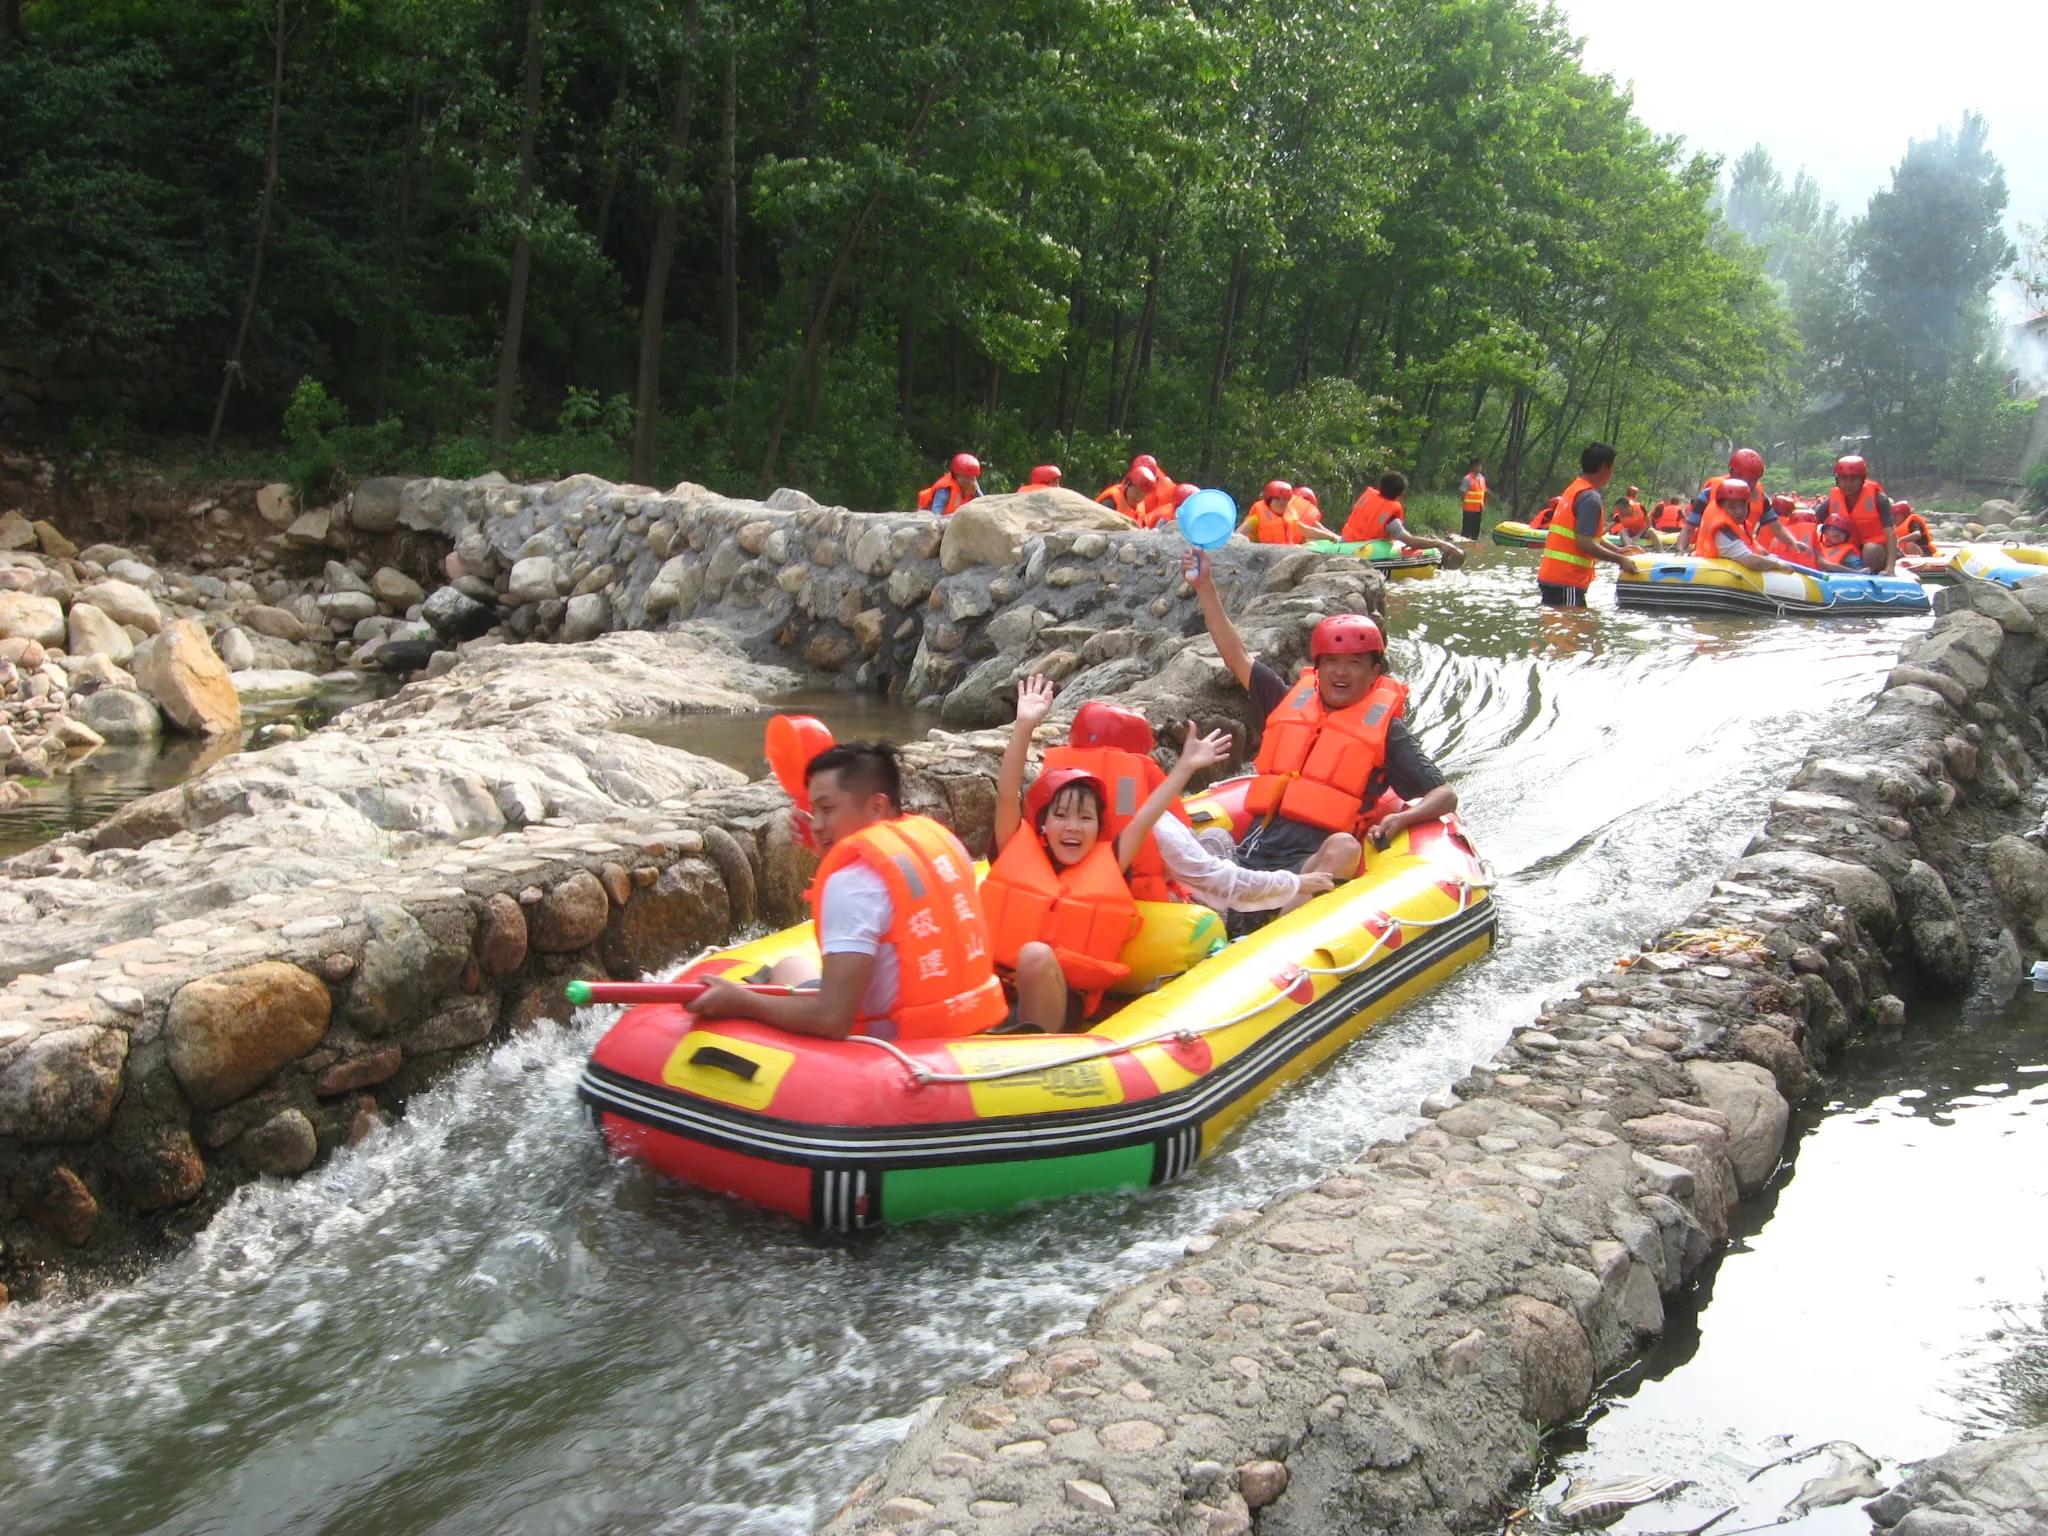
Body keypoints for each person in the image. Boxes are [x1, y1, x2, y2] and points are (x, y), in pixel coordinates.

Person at [1182, 547, 1459, 912]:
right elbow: (1237, 656)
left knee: (1344, 845)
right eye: (1331, 662)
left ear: (1374, 672)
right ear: (1318, 666)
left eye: (1353, 664)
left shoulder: (1387, 732)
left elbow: (1445, 795)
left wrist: (1401, 819)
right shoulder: (1288, 702)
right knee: (1212, 834)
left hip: (1305, 867)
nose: (1340, 673)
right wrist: (1204, 587)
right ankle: (1215, 903)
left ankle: (1271, 932)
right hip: (1252, 851)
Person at [694, 742, 1008, 1040]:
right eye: (813, 810)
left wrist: (742, 1003)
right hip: (969, 1029)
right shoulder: (945, 845)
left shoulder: (851, 884)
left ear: (876, 807)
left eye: (826, 809)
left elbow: (832, 1019)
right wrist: (828, 850)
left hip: (893, 1054)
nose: (815, 824)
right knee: (791, 965)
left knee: (784, 969)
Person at [986, 676, 1232, 1031]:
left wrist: (1186, 767)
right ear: (1042, 824)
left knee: (1035, 955)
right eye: (1061, 816)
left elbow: (1145, 816)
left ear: (1098, 827)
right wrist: (1024, 724)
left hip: (1058, 1004)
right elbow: (1008, 794)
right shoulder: (1015, 845)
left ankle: (1024, 1049)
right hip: (999, 993)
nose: (1073, 827)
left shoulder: (1111, 861)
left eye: (1085, 818)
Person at [1052, 700, 1335, 915]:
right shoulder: (1155, 827)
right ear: (1137, 763)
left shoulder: (1052, 816)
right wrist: (1296, 883)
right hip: (1169, 921)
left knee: (1217, 838)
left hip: (1103, 911)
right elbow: (1220, 880)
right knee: (1217, 841)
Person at [1536, 442, 1637, 608]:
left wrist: (1618, 550)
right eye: (1612, 467)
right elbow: (1585, 542)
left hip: (1554, 577)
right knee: (1570, 630)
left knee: (1563, 629)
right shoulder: (1590, 498)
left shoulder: (1574, 489)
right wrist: (1620, 560)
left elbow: (1588, 535)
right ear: (1605, 467)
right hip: (1567, 580)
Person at [1679, 449, 1807, 563]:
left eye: (1755, 480)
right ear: (1733, 473)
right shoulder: (1708, 494)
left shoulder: (1760, 498)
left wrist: (1792, 542)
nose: (1752, 485)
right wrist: (1681, 550)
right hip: (1712, 555)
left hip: (1742, 552)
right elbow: (1689, 528)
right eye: (1749, 480)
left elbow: (1777, 528)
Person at [1692, 477, 1814, 577]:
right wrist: (1778, 565)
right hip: (1713, 575)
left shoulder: (1735, 523)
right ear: (1721, 505)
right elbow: (1751, 561)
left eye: (1742, 506)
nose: (1739, 512)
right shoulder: (1723, 530)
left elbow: (1751, 544)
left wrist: (1762, 551)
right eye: (1732, 507)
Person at [1340, 472, 1464, 564]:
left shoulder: (1367, 499)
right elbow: (1409, 541)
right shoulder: (1391, 518)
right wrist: (1440, 543)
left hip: (1345, 542)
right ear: (1401, 494)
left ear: (1380, 486)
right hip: (1366, 552)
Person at [1819, 454, 1899, 574]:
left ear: (1862, 479)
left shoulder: (1879, 499)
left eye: (1853, 479)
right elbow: (1812, 523)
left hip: (1875, 551)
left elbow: (1890, 533)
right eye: (1843, 479)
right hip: (1847, 550)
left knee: (1870, 550)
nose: (1848, 484)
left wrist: (1890, 567)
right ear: (1837, 480)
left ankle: (1870, 575)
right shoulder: (1831, 500)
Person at [918, 453, 982, 516]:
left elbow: (984, 503)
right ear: (956, 475)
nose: (969, 481)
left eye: (971, 477)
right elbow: (936, 514)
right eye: (965, 477)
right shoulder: (944, 490)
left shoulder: (973, 484)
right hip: (928, 518)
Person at [1239, 480, 1303, 544]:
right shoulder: (1255, 519)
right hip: (1260, 552)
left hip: (1285, 552)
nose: (1282, 502)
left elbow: (1307, 531)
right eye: (1277, 499)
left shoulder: (1291, 518)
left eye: (1285, 499)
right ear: (1269, 501)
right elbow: (1236, 535)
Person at [1459, 458, 1488, 539]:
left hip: (1478, 509)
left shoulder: (1482, 478)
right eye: (1478, 465)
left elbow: (1483, 492)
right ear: (1473, 466)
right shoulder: (1467, 479)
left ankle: (1473, 545)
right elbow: (1462, 493)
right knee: (1466, 531)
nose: (1480, 467)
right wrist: (1465, 502)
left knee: (1476, 530)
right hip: (1468, 509)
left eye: (1480, 465)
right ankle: (1463, 546)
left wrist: (1483, 504)